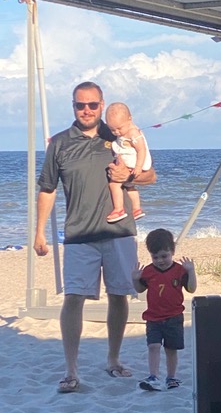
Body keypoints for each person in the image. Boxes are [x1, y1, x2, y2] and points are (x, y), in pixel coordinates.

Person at [34, 81, 156, 393]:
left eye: (92, 105)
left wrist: (129, 175)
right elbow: (47, 189)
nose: (86, 110)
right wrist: (39, 232)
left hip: (119, 231)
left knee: (119, 295)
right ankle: (71, 370)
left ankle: (113, 359)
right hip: (79, 234)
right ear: (73, 106)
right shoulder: (59, 143)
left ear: (102, 105)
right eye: (80, 105)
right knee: (73, 298)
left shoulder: (117, 134)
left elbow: (150, 174)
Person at [132, 228, 197, 392]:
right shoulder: (148, 271)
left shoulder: (179, 270)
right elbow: (140, 289)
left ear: (172, 252)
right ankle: (153, 376)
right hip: (153, 317)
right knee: (153, 346)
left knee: (171, 349)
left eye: (164, 256)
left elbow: (191, 288)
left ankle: (171, 377)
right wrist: (135, 279)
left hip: (174, 317)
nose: (160, 261)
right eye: (155, 257)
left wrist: (191, 271)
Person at [105, 102, 152, 223]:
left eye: (119, 128)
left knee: (114, 184)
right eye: (112, 130)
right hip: (130, 165)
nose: (117, 132)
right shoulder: (124, 131)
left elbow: (141, 150)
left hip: (133, 164)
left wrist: (138, 167)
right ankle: (136, 209)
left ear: (129, 119)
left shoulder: (133, 133)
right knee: (130, 186)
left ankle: (119, 209)